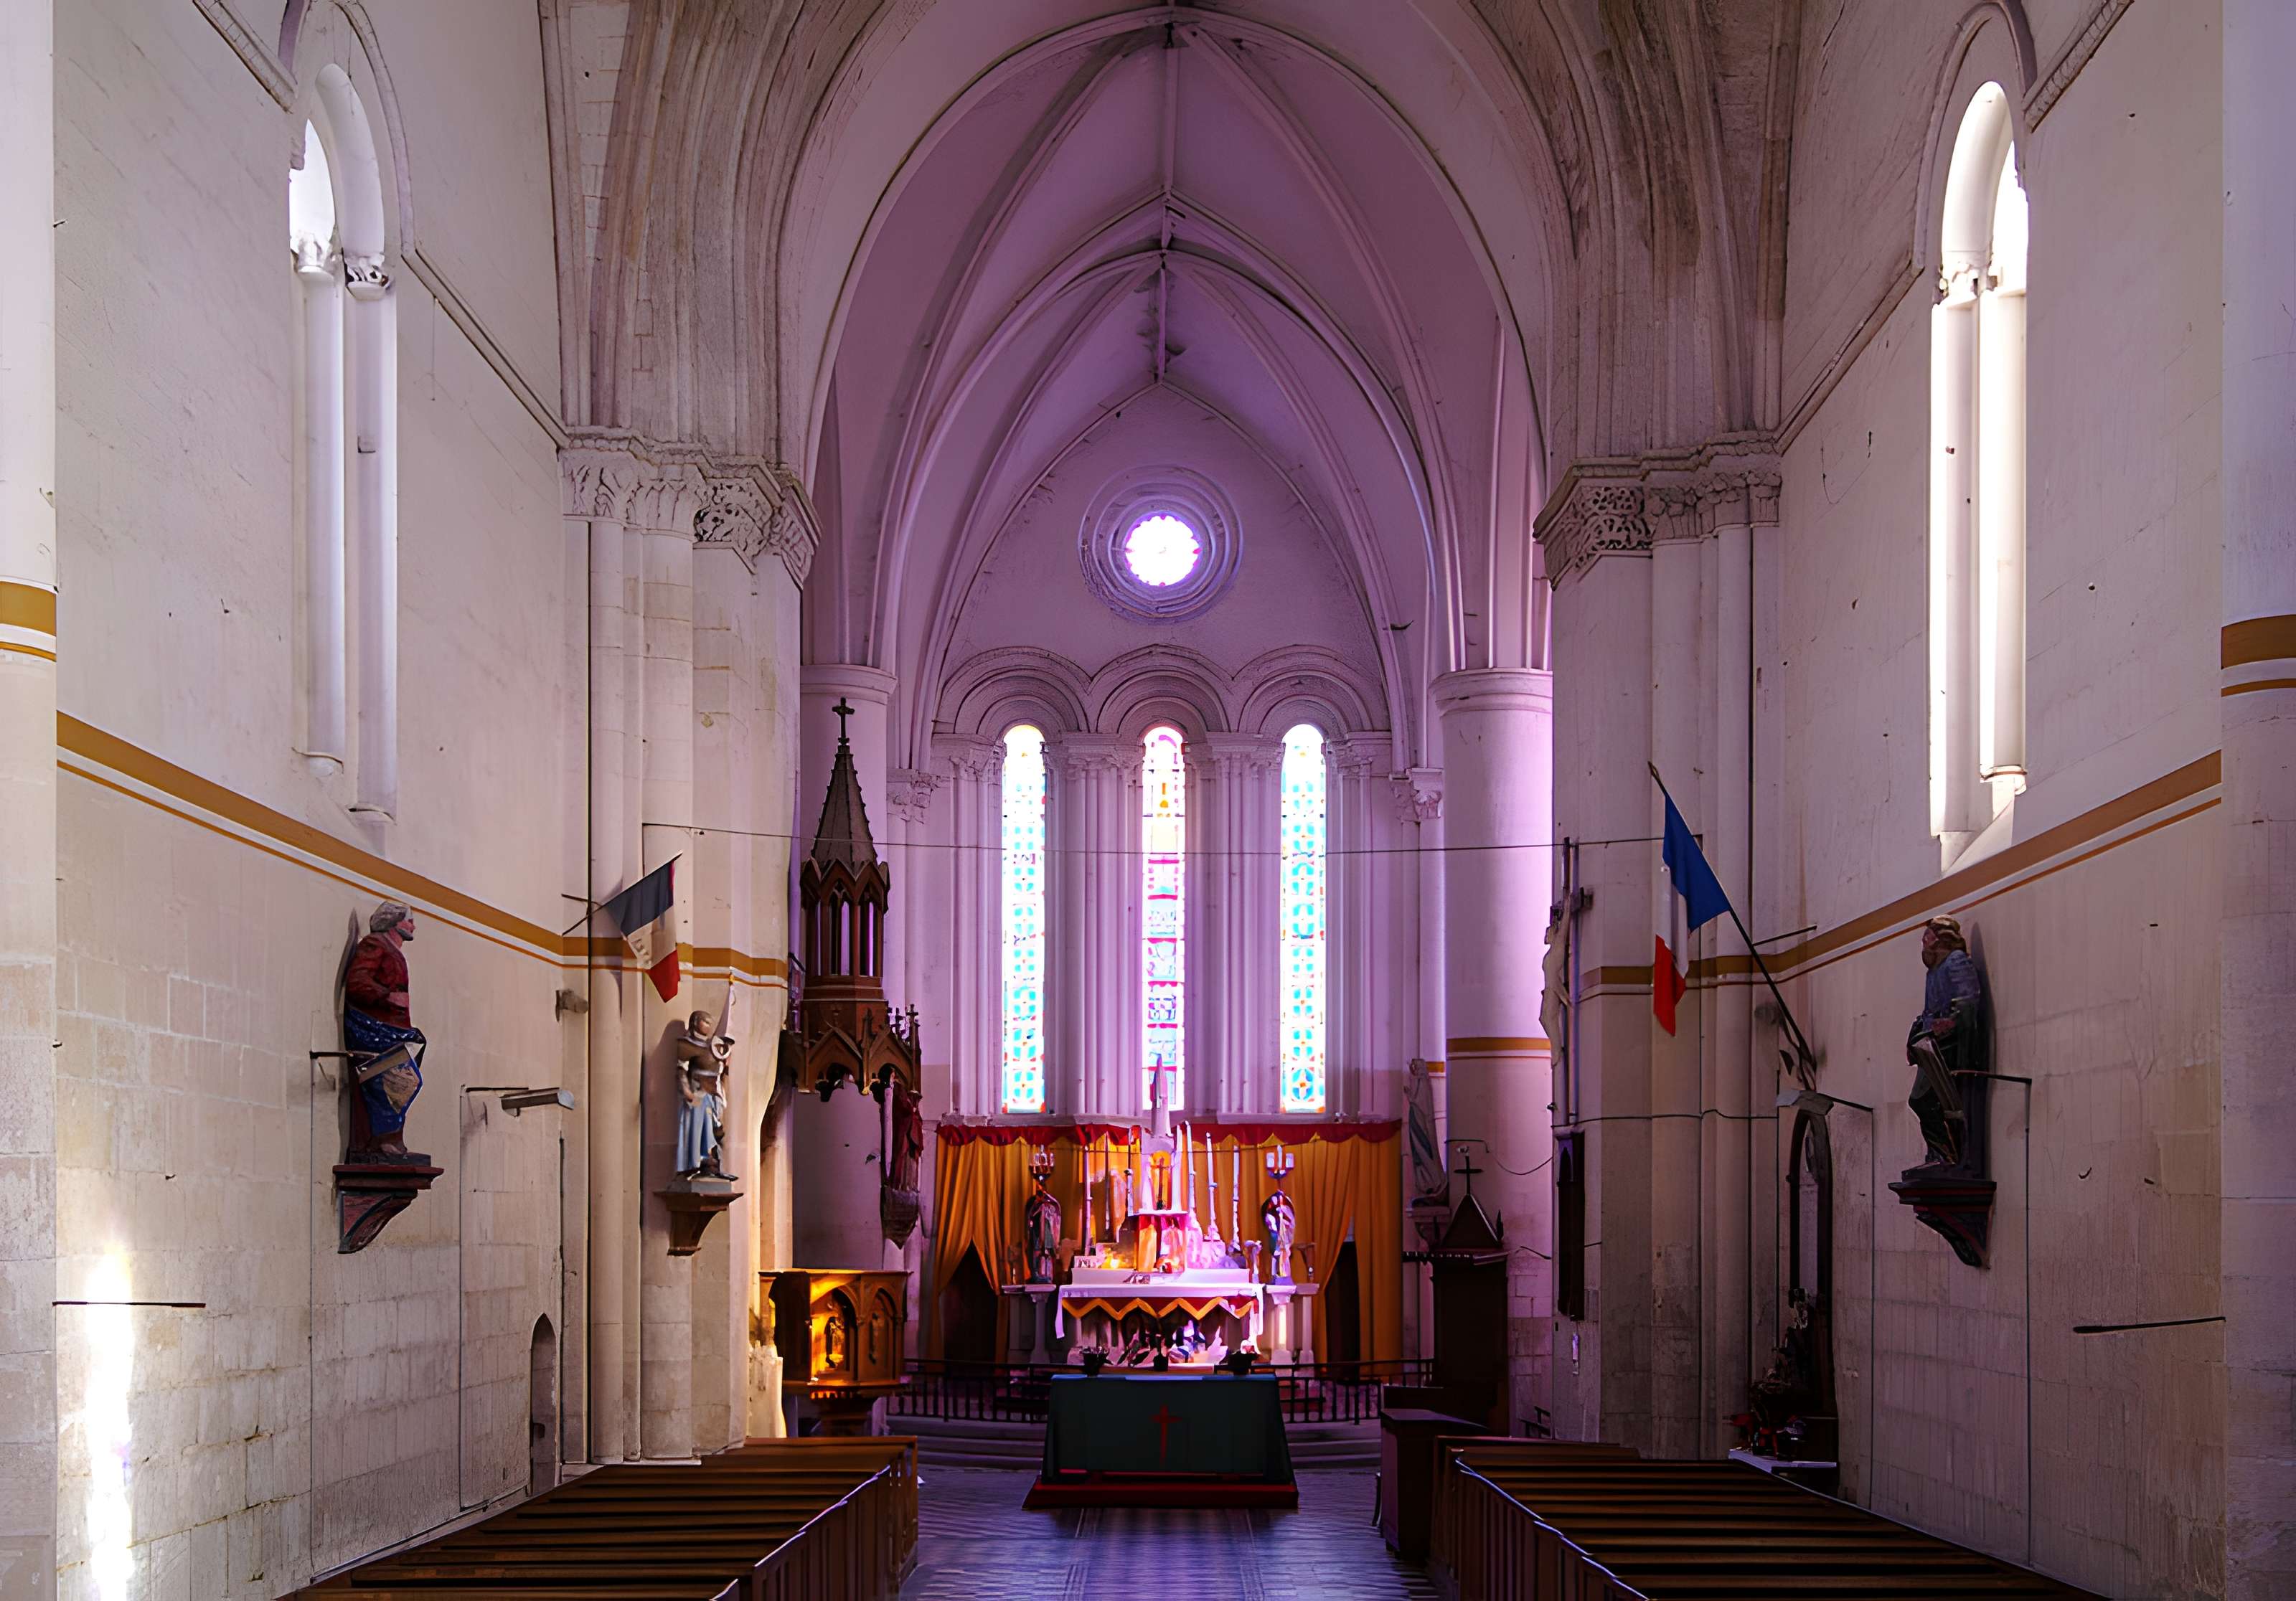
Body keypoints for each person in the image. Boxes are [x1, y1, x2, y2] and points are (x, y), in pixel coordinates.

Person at [344, 901, 426, 1160]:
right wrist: (387, 997)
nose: (413, 925)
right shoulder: (375, 945)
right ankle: (382, 1139)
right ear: (393, 921)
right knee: (396, 1079)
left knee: (402, 1078)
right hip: (373, 1028)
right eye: (409, 919)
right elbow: (357, 983)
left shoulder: (392, 949)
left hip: (392, 1028)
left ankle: (392, 1137)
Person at [1906, 915, 1982, 1168]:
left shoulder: (1955, 962)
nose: (1923, 944)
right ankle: (1938, 1153)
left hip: (1948, 1046)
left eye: (1926, 938)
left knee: (1925, 1099)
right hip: (1931, 1045)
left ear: (1940, 939)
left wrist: (1949, 1022)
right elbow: (1929, 1011)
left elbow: (1968, 1001)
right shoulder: (1934, 971)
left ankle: (1946, 1155)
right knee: (1923, 1100)